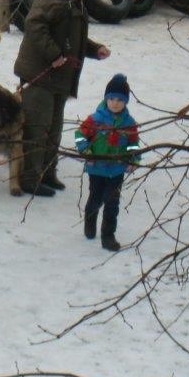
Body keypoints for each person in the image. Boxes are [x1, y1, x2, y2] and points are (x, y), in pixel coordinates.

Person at [13, 0, 110, 197]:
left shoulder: (74, 1)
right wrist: (53, 54)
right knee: (37, 128)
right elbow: (34, 24)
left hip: (60, 79)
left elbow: (71, 38)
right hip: (40, 75)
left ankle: (47, 173)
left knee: (53, 130)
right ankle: (29, 178)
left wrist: (94, 49)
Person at [74, 74, 141, 251]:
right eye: (111, 98)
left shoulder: (129, 124)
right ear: (106, 99)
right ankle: (90, 221)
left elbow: (133, 144)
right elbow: (80, 135)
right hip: (97, 169)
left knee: (112, 203)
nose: (115, 103)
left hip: (117, 170)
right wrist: (86, 150)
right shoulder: (95, 119)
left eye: (120, 99)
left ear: (126, 101)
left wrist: (133, 158)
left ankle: (108, 235)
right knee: (95, 199)